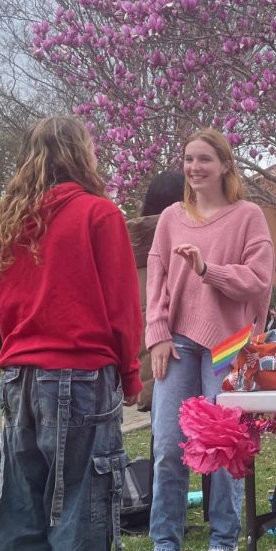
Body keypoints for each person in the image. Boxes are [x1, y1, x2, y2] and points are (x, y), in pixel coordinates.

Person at [0, 116, 142, 551]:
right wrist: (131, 372)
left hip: (19, 370)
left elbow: (4, 303)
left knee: (18, 501)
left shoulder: (9, 218)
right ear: (81, 154)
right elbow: (121, 303)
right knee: (80, 503)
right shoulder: (99, 213)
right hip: (80, 371)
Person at [142, 129, 274, 551]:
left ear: (224, 165)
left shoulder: (248, 217)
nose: (195, 168)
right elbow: (156, 281)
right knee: (167, 443)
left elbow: (258, 281)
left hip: (229, 344)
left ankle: (222, 539)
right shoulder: (171, 218)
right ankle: (165, 542)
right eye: (188, 159)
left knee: (222, 445)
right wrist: (156, 334)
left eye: (204, 159)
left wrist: (206, 269)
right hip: (176, 340)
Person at [128, 171, 186, 411]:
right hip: (178, 354)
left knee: (161, 431)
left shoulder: (130, 241)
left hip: (144, 359)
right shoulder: (180, 240)